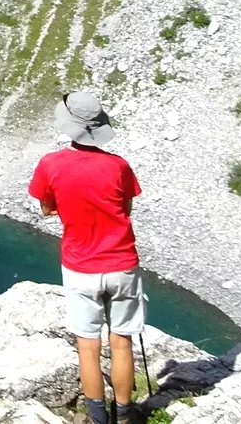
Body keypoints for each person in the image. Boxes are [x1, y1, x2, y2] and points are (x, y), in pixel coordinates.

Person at [27, 91, 145, 424]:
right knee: (121, 343)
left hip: (80, 266)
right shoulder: (119, 166)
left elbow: (46, 207)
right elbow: (125, 209)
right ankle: (125, 415)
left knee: (88, 346)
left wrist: (66, 206)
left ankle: (96, 418)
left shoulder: (51, 164)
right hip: (122, 263)